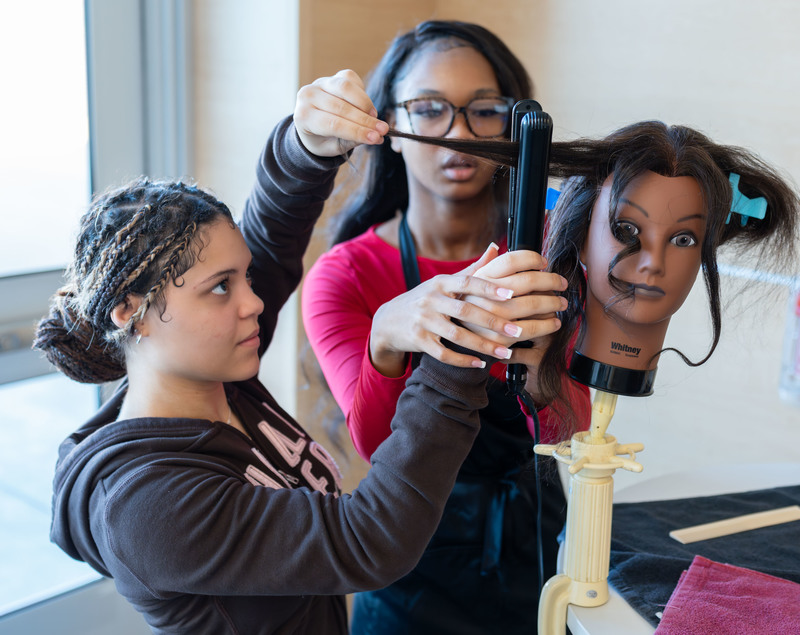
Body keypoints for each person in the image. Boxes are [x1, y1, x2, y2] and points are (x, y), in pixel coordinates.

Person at [32, 94, 549, 633]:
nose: (253, 301)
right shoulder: (146, 506)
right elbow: (369, 540)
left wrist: (307, 147)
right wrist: (458, 347)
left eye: (244, 277)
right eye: (220, 288)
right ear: (130, 313)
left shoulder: (217, 380)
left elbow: (272, 241)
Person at [300, 20, 591, 635]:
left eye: (484, 111)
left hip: (540, 549)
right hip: (405, 564)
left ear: (514, 127)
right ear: (392, 131)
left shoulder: (553, 247)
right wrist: (386, 336)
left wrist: (540, 361)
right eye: (428, 110)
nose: (459, 133)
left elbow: (572, 426)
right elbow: (377, 445)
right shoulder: (345, 276)